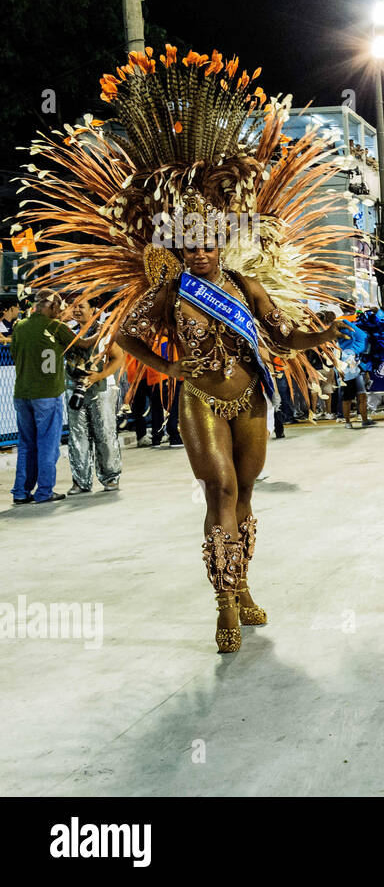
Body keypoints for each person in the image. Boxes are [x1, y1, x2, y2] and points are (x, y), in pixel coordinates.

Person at [19, 44, 346, 652]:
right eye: (188, 243)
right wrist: (168, 364)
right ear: (178, 245)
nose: (199, 251)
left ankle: (242, 585)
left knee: (245, 494)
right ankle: (223, 603)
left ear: (220, 241)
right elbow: (125, 334)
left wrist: (321, 332)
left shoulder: (245, 285)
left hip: (250, 399)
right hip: (198, 398)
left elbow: (280, 334)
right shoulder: (170, 290)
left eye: (207, 242)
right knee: (219, 490)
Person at [9, 290, 72, 505]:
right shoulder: (56, 327)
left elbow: (14, 355)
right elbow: (81, 345)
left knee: (26, 444)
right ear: (51, 306)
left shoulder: (20, 327)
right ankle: (44, 491)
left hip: (22, 393)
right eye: (58, 307)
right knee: (48, 444)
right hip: (47, 393)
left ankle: (20, 492)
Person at [65, 299, 125, 493]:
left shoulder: (105, 331)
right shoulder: (68, 332)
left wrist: (99, 375)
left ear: (93, 310)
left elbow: (118, 357)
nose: (76, 309)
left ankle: (110, 477)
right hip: (75, 389)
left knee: (105, 433)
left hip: (102, 389)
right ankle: (80, 481)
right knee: (77, 436)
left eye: (81, 306)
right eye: (74, 306)